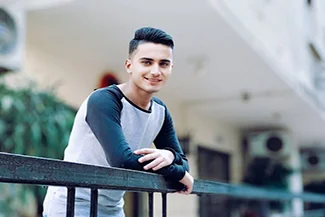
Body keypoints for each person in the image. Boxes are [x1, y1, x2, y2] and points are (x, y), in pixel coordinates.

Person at [42, 27, 194, 217]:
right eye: (147, 62)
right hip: (72, 204)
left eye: (163, 64)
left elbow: (184, 162)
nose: (155, 71)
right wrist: (177, 173)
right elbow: (122, 161)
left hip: (112, 208)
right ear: (129, 65)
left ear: (171, 68)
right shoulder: (104, 100)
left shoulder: (160, 112)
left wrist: (170, 155)